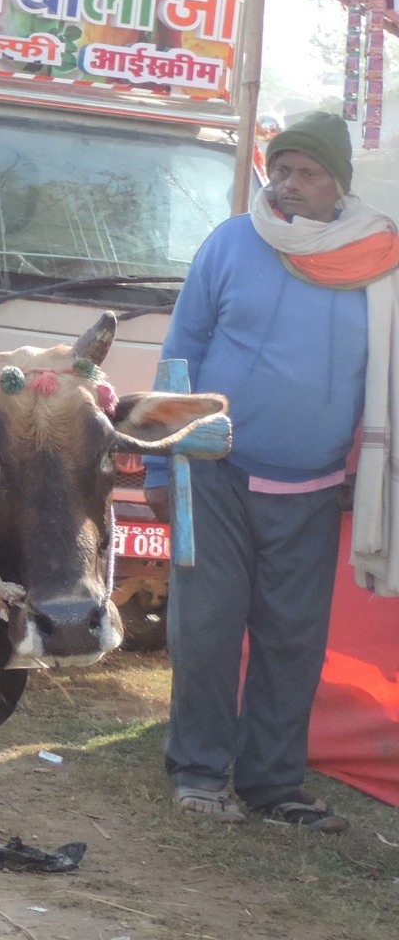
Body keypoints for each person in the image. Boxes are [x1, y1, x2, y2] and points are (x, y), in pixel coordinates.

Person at [149, 112, 381, 834]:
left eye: (306, 173)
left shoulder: (375, 258)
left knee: (292, 639)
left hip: (313, 489)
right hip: (216, 470)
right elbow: (181, 350)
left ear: (337, 184)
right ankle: (198, 772)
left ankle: (274, 784)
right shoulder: (232, 242)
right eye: (279, 169)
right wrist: (163, 463)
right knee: (208, 627)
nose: (286, 185)